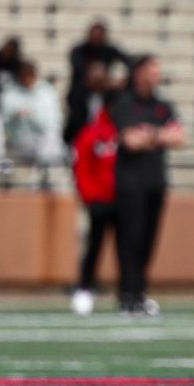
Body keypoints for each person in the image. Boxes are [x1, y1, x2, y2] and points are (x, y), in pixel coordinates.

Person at [110, 55, 185, 316]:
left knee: (149, 239)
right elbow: (130, 140)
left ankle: (139, 292)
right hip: (130, 182)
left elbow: (179, 137)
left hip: (155, 180)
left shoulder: (163, 105)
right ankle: (127, 294)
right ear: (139, 73)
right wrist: (160, 135)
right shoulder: (125, 102)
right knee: (131, 238)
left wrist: (149, 134)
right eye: (153, 68)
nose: (157, 73)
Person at [70, 107, 118, 316]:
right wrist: (89, 196)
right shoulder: (91, 133)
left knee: (128, 250)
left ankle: (129, 293)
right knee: (92, 247)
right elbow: (81, 167)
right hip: (98, 200)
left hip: (123, 200)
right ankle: (85, 289)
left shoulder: (125, 131)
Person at [0, 61, 65, 166]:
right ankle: (45, 175)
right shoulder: (9, 93)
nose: (27, 79)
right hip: (20, 141)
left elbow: (54, 122)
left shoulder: (47, 92)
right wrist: (15, 115)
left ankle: (44, 174)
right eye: (24, 75)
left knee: (51, 138)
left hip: (44, 139)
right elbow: (3, 121)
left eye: (30, 75)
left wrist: (32, 116)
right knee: (52, 147)